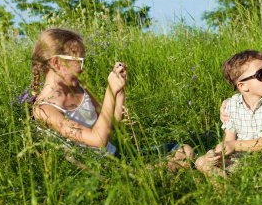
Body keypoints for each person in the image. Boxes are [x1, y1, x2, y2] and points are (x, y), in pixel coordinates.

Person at [31, 28, 194, 168]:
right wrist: (110, 91)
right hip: (100, 167)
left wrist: (119, 90)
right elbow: (98, 139)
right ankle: (140, 177)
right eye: (79, 62)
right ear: (57, 63)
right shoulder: (45, 109)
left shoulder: (78, 87)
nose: (83, 68)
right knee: (183, 157)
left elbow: (112, 122)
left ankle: (147, 174)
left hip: (116, 155)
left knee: (184, 150)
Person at [195, 50, 262, 177]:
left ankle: (229, 185)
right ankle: (226, 187)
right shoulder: (232, 105)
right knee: (201, 161)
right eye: (261, 74)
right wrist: (218, 153)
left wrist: (235, 145)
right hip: (240, 159)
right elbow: (229, 140)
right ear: (243, 86)